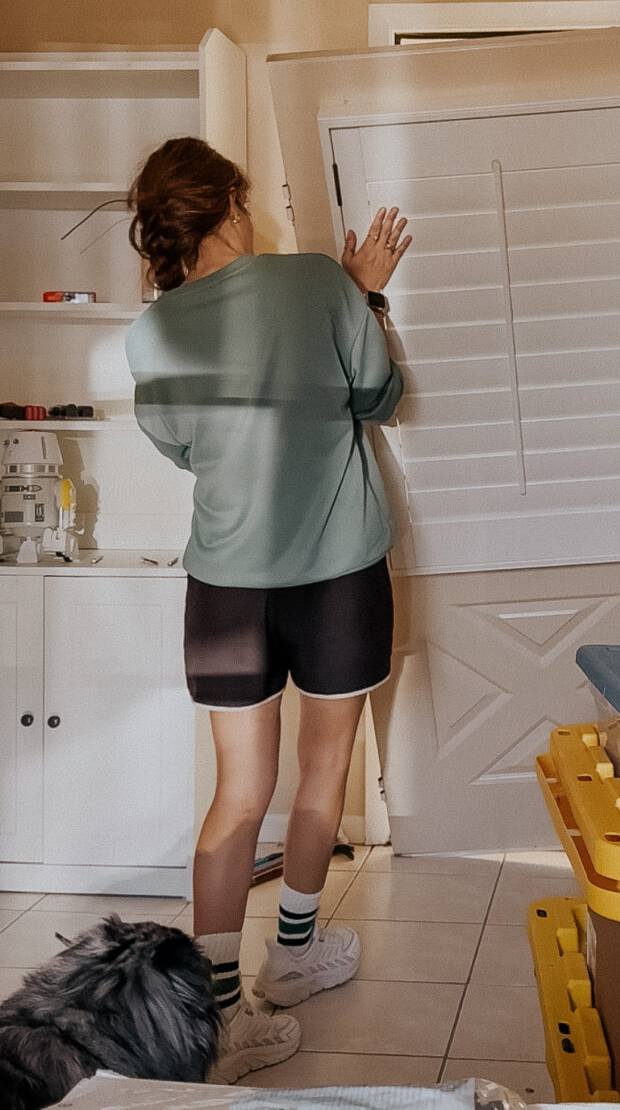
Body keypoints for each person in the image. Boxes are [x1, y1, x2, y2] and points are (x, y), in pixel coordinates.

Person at [124, 136, 410, 1083]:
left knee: (237, 797)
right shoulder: (317, 284)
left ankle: (217, 1018)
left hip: (226, 588)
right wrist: (363, 290)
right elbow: (379, 396)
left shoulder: (152, 331)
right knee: (322, 779)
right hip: (336, 579)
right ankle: (291, 958)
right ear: (232, 207)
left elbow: (180, 447)